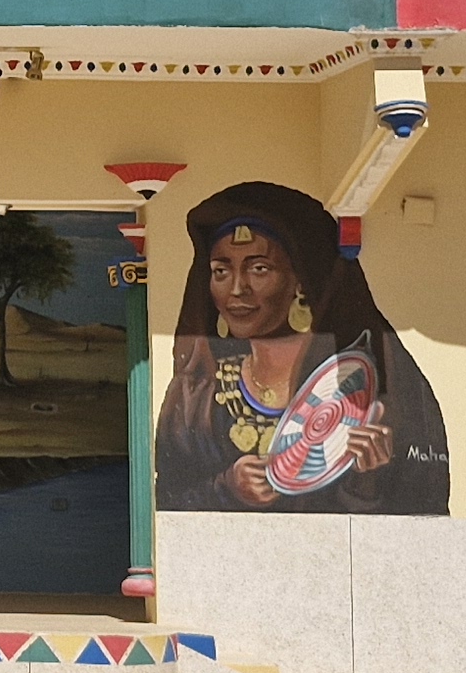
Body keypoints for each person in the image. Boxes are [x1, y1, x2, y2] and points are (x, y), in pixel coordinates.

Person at [150, 179, 448, 514]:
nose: (237, 289)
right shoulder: (197, 394)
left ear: (301, 280)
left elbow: (424, 512)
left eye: (259, 268)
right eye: (221, 271)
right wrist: (225, 488)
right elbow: (163, 506)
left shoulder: (371, 381)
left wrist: (366, 482)